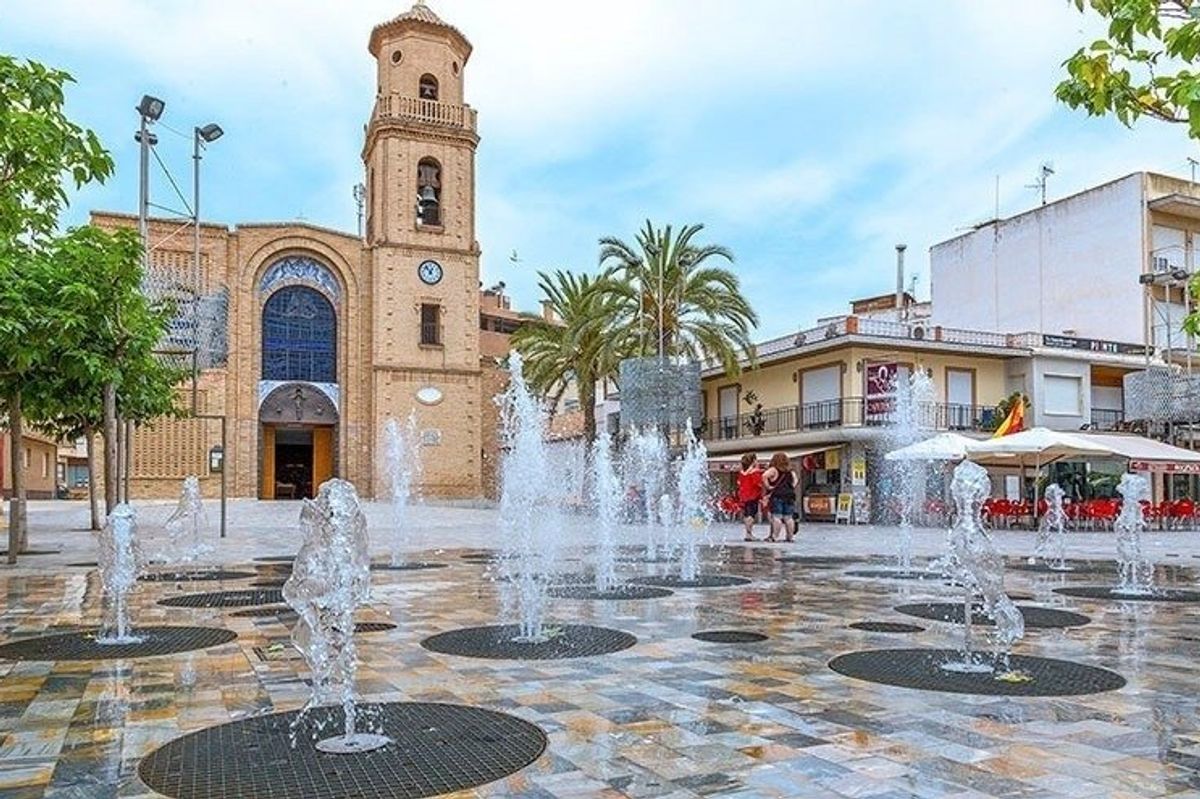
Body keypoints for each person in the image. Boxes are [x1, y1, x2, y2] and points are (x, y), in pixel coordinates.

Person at [763, 452, 798, 542]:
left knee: (777, 516)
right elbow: (795, 481)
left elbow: (764, 476)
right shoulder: (790, 471)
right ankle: (790, 537)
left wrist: (768, 486)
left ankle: (775, 536)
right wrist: (790, 488)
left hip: (777, 495)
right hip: (789, 495)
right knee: (788, 517)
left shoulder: (774, 470)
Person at [736, 453, 763, 541]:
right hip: (753, 495)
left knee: (746, 514)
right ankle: (749, 533)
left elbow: (739, 483)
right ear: (753, 461)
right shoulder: (754, 472)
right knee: (751, 515)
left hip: (744, 495)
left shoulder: (741, 473)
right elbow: (758, 484)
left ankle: (747, 533)